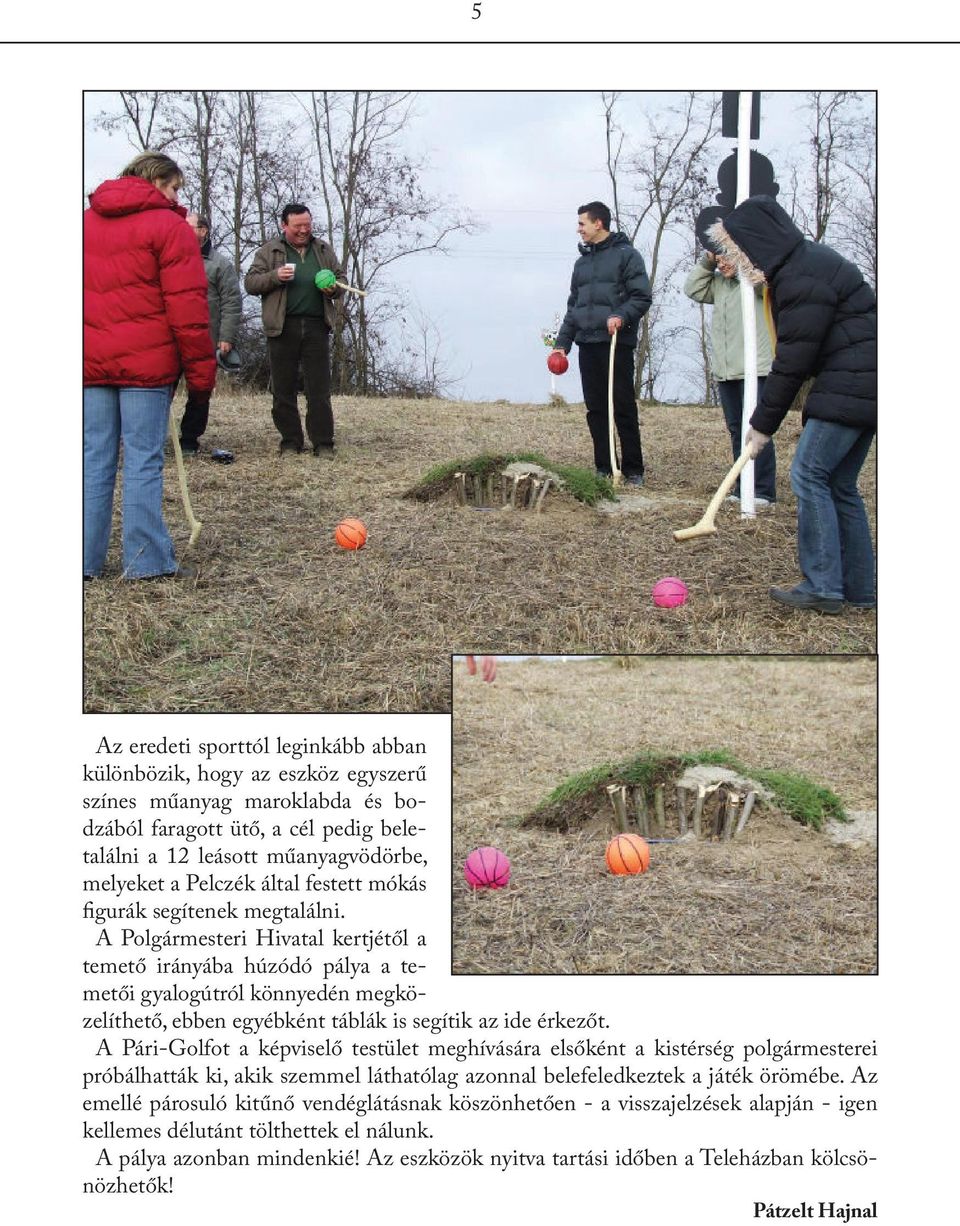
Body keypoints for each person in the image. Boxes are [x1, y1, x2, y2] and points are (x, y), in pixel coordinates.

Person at [708, 195, 876, 614]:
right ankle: (859, 589)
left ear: (758, 241)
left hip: (853, 383)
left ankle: (823, 585)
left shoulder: (802, 276)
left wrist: (763, 424)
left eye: (740, 248)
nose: (739, 257)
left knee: (809, 474)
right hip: (866, 384)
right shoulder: (806, 263)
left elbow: (793, 361)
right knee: (839, 483)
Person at [84, 151, 216, 580]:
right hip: (147, 365)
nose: (178, 196)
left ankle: (82, 560)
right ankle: (146, 561)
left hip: (90, 362)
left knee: (94, 459)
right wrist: (200, 378)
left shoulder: (83, 224)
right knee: (142, 459)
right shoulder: (169, 227)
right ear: (157, 180)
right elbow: (188, 310)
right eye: (176, 187)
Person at [552, 201, 652, 485]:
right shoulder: (581, 264)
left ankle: (633, 470)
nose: (578, 229)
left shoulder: (627, 256)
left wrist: (620, 315)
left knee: (622, 406)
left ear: (599, 223)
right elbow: (574, 307)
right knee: (596, 409)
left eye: (582, 223)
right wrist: (563, 344)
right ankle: (605, 467)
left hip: (616, 344)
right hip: (587, 343)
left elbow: (642, 296)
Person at [244, 203, 345, 456]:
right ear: (284, 225)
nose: (303, 231)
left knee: (319, 389)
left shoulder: (322, 249)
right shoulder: (270, 251)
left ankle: (323, 443)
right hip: (281, 326)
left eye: (307, 225)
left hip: (316, 326)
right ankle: (290, 441)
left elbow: (341, 280)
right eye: (298, 226)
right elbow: (251, 283)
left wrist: (334, 288)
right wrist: (276, 276)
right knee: (283, 389)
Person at [683, 246, 776, 504]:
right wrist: (708, 261)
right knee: (737, 430)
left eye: (727, 257)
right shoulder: (719, 285)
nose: (722, 263)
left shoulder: (754, 283)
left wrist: (743, 266)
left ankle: (763, 491)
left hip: (754, 369)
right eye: (718, 257)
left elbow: (765, 286)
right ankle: (742, 485)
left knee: (757, 428)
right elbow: (692, 288)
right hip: (727, 370)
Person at [179, 213, 243, 455]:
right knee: (162, 392)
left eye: (188, 227)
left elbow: (231, 302)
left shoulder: (220, 265)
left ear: (203, 231)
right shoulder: (172, 258)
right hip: (173, 340)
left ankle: (189, 440)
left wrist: (226, 337)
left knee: (200, 391)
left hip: (205, 341)